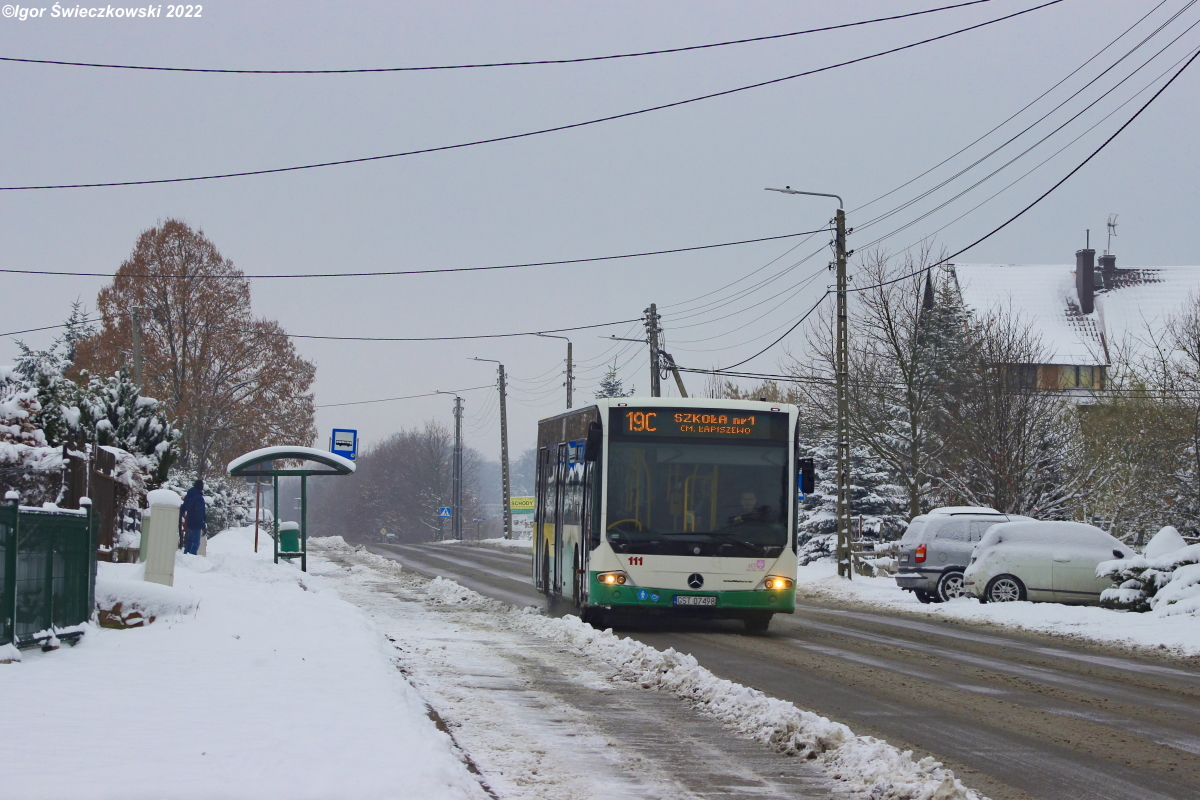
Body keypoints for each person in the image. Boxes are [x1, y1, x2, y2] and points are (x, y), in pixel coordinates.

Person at [181, 479, 207, 555]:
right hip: (196, 524)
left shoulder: (188, 496)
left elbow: (183, 507)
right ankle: (191, 559)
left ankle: (185, 557)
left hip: (189, 522)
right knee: (195, 544)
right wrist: (202, 524)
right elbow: (199, 512)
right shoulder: (199, 498)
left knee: (189, 542)